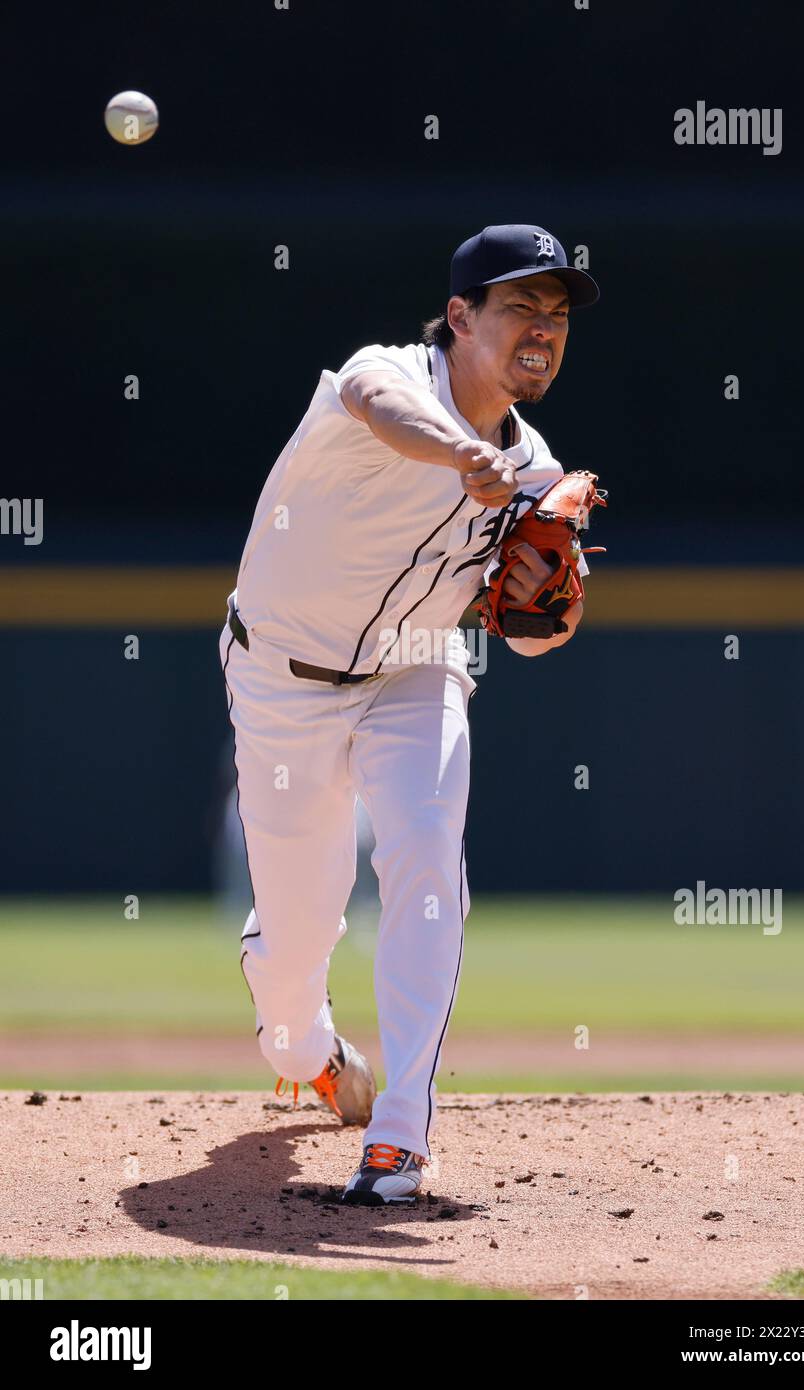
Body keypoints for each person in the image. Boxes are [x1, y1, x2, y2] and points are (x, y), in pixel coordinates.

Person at [219, 224, 599, 1205]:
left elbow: (529, 635)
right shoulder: (388, 373)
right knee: (294, 961)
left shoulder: (535, 467)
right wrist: (457, 451)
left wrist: (545, 605)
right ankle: (302, 1038)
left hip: (415, 672)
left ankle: (400, 1134)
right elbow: (376, 403)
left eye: (556, 317)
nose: (541, 331)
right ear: (460, 317)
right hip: (282, 680)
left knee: (426, 855)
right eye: (520, 307)